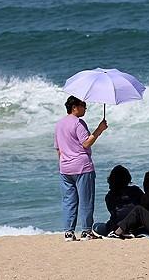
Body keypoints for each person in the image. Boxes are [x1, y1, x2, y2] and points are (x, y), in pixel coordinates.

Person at [54, 95, 108, 241]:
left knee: (68, 201)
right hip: (82, 167)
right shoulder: (78, 123)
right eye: (83, 106)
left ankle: (69, 233)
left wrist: (64, 163)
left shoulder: (59, 124)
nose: (85, 108)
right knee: (86, 200)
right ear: (74, 107)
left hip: (65, 168)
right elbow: (86, 143)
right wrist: (99, 129)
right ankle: (86, 232)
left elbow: (58, 149)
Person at [92, 165, 144, 237]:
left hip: (117, 226)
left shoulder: (109, 196)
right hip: (136, 225)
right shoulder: (136, 190)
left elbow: (113, 213)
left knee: (96, 226)